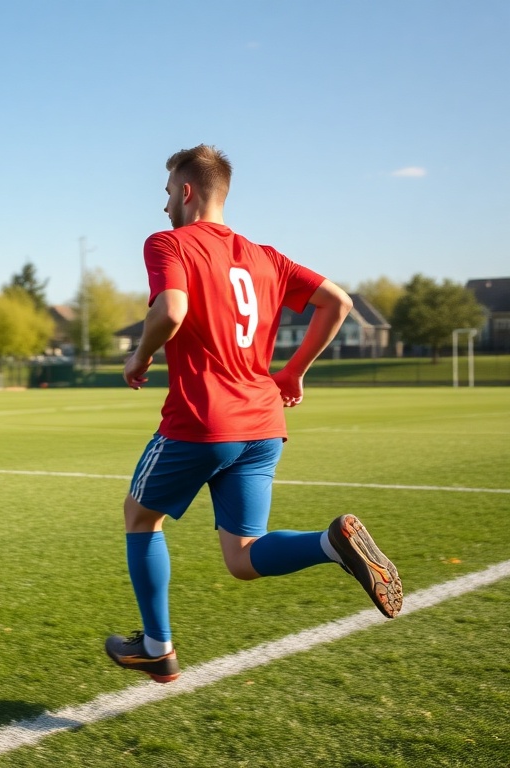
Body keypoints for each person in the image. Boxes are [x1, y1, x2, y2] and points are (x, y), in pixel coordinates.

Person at [105, 145, 402, 684]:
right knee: (242, 557)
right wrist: (293, 373)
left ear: (187, 192)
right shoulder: (264, 256)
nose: (165, 203)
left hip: (202, 419)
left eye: (168, 191)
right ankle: (330, 543)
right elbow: (337, 302)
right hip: (263, 422)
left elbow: (171, 310)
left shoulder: (169, 243)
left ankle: (156, 647)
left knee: (139, 517)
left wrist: (140, 355)